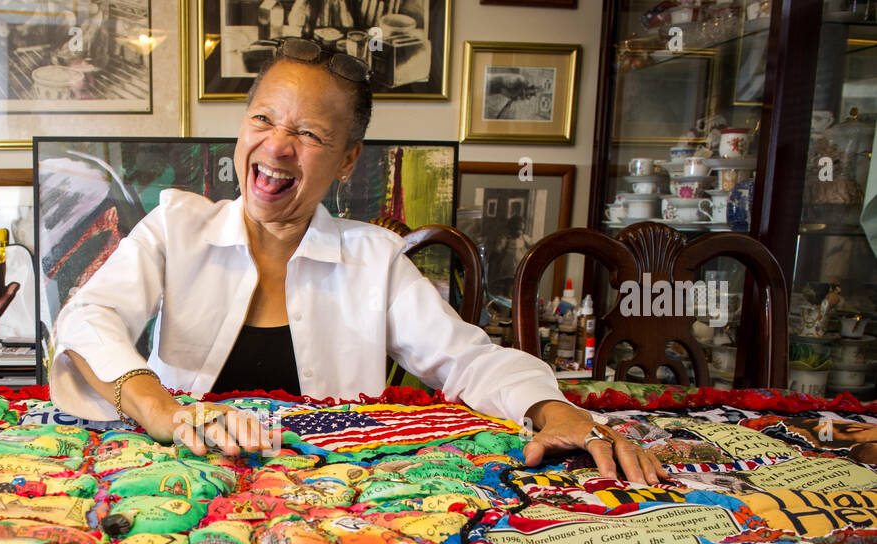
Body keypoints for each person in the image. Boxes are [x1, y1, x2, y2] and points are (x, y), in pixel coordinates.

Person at [49, 38, 662, 484]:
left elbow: (467, 360)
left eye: (310, 135)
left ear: (347, 159)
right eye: (262, 119)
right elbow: (86, 319)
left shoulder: (374, 258)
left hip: (334, 497)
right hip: (184, 485)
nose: (277, 147)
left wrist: (556, 410)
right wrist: (161, 409)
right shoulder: (176, 226)